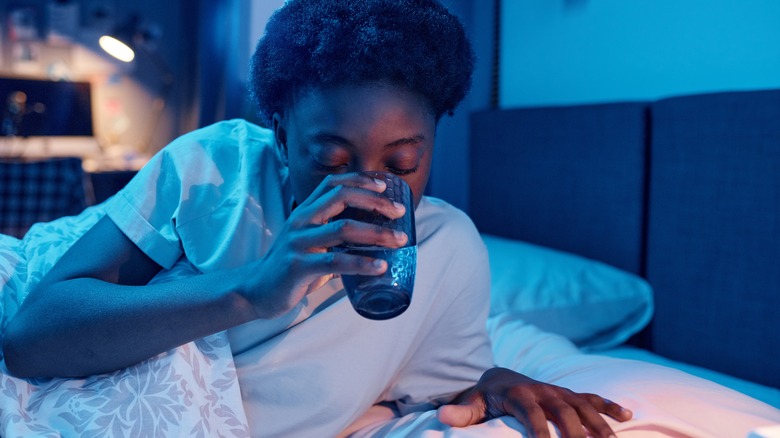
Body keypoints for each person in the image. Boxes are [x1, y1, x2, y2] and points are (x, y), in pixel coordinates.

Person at [2, 0, 632, 436]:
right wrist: (251, 290)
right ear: (280, 137)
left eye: (405, 162)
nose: (367, 188)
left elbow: (434, 377)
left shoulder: (447, 250)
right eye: (330, 160)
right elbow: (33, 340)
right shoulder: (214, 169)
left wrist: (494, 382)